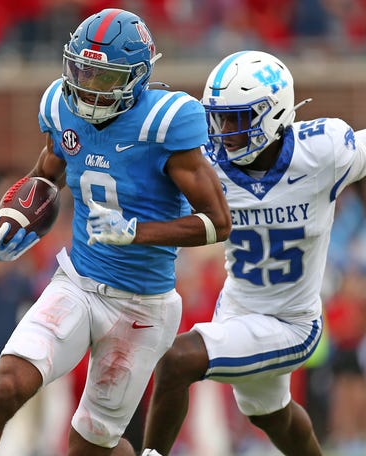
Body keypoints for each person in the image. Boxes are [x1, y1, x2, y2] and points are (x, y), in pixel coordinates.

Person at [0, 8, 231, 456]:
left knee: (89, 446)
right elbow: (46, 175)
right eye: (82, 70)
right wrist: (16, 219)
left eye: (102, 77)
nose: (86, 86)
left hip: (142, 304)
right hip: (77, 283)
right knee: (6, 385)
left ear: (137, 78)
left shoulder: (167, 122)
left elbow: (218, 223)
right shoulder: (62, 107)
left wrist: (136, 232)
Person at [141, 50, 366, 456]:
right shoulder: (210, 164)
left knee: (177, 360)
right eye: (219, 117)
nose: (224, 130)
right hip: (237, 309)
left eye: (237, 118)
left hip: (292, 322)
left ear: (274, 113)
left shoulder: (322, 152)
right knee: (271, 415)